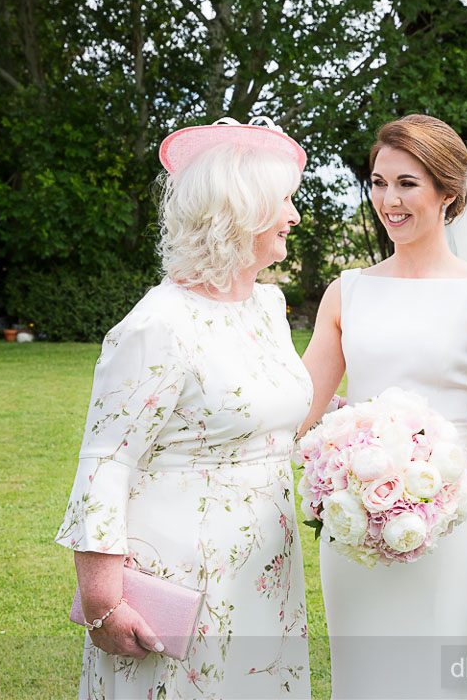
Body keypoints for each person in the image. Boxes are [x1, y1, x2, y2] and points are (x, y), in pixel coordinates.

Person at [55, 117, 313, 699]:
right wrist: (102, 598)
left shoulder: (268, 307)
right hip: (182, 572)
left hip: (265, 570)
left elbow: (265, 412)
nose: (295, 217)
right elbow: (106, 462)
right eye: (285, 203)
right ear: (241, 211)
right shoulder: (158, 324)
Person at [301, 114, 467, 699]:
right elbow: (301, 407)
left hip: (451, 529)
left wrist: (440, 490)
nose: (388, 199)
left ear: (448, 193)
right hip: (355, 533)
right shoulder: (346, 291)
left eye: (407, 183)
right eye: (379, 182)